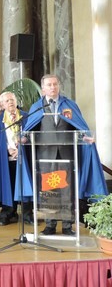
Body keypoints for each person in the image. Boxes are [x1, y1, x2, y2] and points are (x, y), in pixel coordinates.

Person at [23, 74, 108, 235]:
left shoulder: (69, 104)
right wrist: (22, 138)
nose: (53, 87)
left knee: (68, 191)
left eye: (55, 84)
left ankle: (68, 225)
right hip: (45, 156)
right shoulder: (37, 107)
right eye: (49, 85)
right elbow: (29, 130)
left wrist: (86, 137)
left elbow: (79, 127)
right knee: (49, 192)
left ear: (59, 86)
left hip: (67, 155)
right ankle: (50, 225)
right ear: (43, 89)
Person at [0, 92, 29, 226]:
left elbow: (31, 136)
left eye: (12, 99)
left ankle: (28, 214)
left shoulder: (26, 117)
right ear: (2, 105)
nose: (10, 102)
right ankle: (8, 212)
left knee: (25, 184)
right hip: (8, 159)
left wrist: (20, 150)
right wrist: (7, 149)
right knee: (9, 185)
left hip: (25, 158)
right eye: (7, 101)